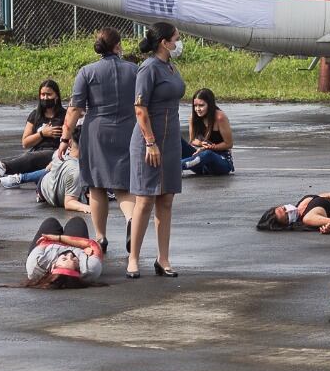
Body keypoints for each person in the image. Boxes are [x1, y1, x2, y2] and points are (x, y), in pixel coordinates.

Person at [60, 27, 140, 252]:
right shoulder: (134, 70)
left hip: (96, 132)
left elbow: (75, 108)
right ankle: (131, 220)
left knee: (96, 186)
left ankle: (101, 237)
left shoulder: (86, 72)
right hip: (128, 130)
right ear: (117, 46)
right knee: (124, 185)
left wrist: (65, 138)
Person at [127, 21, 186, 279]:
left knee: (167, 199)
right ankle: (133, 259)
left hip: (171, 139)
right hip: (149, 141)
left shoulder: (170, 67)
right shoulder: (148, 68)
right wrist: (150, 142)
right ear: (164, 42)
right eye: (176, 39)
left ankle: (163, 258)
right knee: (145, 199)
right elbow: (140, 109)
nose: (178, 43)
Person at [23, 216, 104, 287]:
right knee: (76, 221)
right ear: (79, 270)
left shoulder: (36, 264)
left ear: (53, 266)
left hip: (50, 247)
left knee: (50, 222)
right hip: (76, 247)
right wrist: (82, 245)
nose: (69, 255)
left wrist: (58, 238)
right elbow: (94, 244)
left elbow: (45, 240)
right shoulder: (91, 269)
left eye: (64, 259)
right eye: (75, 261)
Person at [182, 89, 235, 175]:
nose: (197, 109)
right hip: (201, 161)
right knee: (176, 140)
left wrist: (210, 147)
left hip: (221, 161)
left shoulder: (220, 117)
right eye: (195, 106)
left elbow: (229, 144)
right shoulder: (193, 117)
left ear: (210, 105)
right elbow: (192, 140)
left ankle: (174, 168)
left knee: (208, 154)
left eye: (201, 105)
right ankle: (161, 164)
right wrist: (201, 143)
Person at [257, 193, 330, 234]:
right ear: (287, 224)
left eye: (283, 208)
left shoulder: (300, 203)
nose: (288, 210)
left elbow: (325, 195)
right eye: (286, 216)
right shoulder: (308, 218)